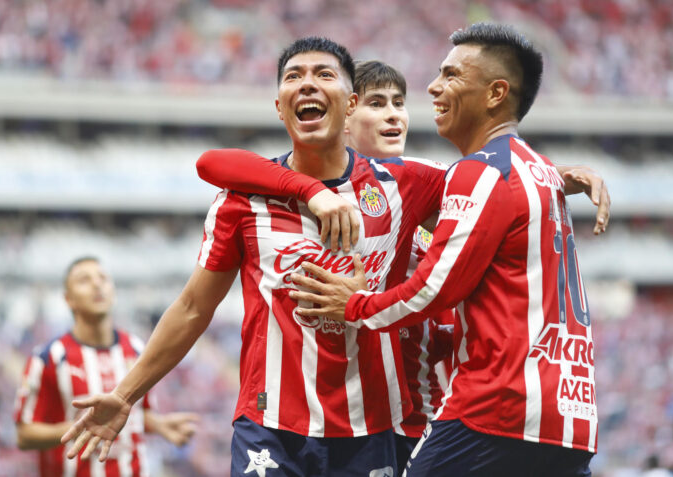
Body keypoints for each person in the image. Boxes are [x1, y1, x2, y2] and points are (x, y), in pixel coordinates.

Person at [61, 37, 451, 476]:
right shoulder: (242, 201)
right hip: (270, 429)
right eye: (293, 77)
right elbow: (193, 307)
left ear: (350, 104)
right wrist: (126, 394)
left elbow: (493, 206)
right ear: (280, 108)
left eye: (323, 75)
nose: (306, 85)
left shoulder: (406, 186)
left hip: (370, 428)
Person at [288, 23, 600, 476]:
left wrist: (353, 304)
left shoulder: (475, 173)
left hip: (497, 407)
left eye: (451, 76)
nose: (433, 87)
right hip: (569, 415)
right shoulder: (541, 174)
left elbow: (434, 289)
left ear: (495, 93)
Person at [344, 59, 455, 472]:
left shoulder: (419, 182)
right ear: (344, 117)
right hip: (367, 413)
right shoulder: (327, 195)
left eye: (399, 102)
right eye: (377, 103)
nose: (394, 113)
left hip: (430, 411)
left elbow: (496, 179)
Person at [14, 256, 198, 477]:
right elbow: (24, 435)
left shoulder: (138, 350)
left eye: (103, 278)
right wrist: (78, 428)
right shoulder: (49, 358)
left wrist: (158, 425)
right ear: (68, 298)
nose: (97, 284)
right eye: (84, 280)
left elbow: (137, 413)